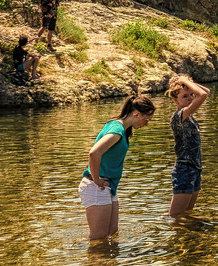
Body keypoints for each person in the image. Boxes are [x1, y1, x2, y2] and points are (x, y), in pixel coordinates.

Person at [80, 95, 156, 241]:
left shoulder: (120, 127)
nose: (146, 124)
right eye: (146, 120)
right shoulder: (117, 130)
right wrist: (97, 180)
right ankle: (92, 262)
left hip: (108, 186)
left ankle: (107, 264)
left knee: (112, 235)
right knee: (98, 239)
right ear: (136, 114)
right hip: (96, 186)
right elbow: (94, 153)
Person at [165, 74, 210, 218]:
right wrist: (184, 81)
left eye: (191, 95)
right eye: (185, 96)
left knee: (187, 214)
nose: (191, 98)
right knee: (176, 216)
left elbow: (207, 92)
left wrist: (188, 82)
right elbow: (202, 95)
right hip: (184, 169)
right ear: (175, 99)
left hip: (195, 168)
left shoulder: (189, 115)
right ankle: (172, 236)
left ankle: (185, 239)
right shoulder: (179, 115)